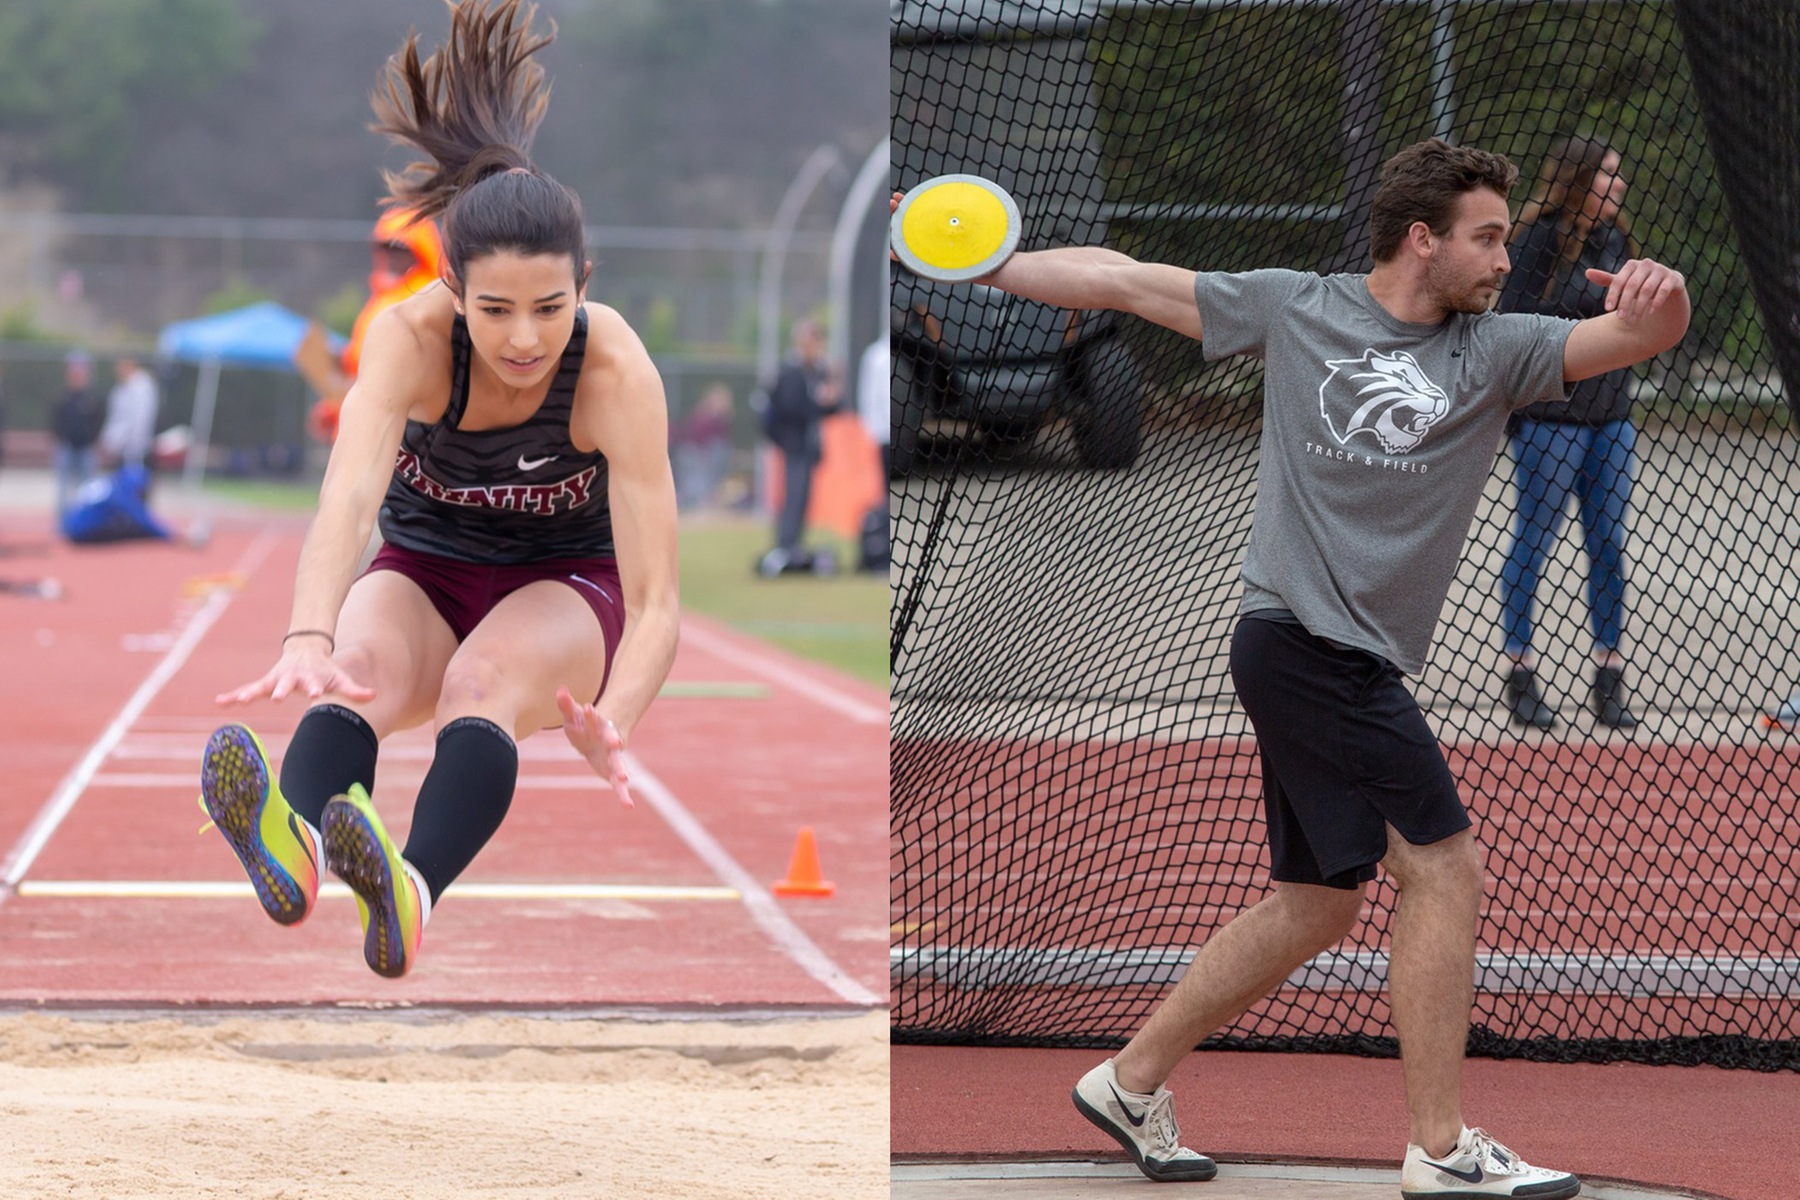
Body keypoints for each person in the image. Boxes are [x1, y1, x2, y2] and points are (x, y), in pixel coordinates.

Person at [894, 138, 1688, 1198]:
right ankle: (1442, 1150)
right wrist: (974, 259)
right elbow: (1123, 279)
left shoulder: (1495, 353)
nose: (1506, 258)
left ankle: (1128, 1084)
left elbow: (1636, 335)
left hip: (1325, 659)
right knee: (1445, 870)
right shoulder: (1297, 307)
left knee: (1318, 905)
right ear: (1424, 239)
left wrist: (1662, 294)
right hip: (1308, 648)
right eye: (1487, 238)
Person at [200, 0, 680, 980]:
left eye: (550, 308)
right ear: (452, 291)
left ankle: (408, 894)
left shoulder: (614, 372)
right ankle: (289, 842)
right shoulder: (408, 343)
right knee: (360, 670)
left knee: (479, 686)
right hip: (427, 561)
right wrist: (306, 637)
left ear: (583, 284)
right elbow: (346, 498)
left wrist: (616, 717)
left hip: (566, 582)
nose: (522, 339)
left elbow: (663, 598)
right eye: (495, 310)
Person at [1497, 137, 1641, 730]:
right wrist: (1588, 308)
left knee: (1608, 544)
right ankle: (1520, 670)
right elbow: (1514, 319)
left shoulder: (1617, 240)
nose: (1619, 184)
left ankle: (1608, 675)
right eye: (1608, 175)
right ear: (1580, 181)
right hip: (1550, 419)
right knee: (1534, 540)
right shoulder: (1538, 239)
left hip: (1611, 418)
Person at [757, 317, 840, 575]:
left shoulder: (817, 371)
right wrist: (817, 403)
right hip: (794, 444)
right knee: (793, 495)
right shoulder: (791, 372)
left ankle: (794, 543)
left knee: (803, 496)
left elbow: (830, 407)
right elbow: (789, 408)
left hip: (809, 444)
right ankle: (786, 544)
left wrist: (830, 399)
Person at [50, 350, 106, 513]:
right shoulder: (63, 395)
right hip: (66, 447)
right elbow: (55, 420)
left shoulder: (93, 396)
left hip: (87, 447)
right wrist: (61, 438)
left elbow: (99, 420)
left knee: (88, 487)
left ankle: (86, 519)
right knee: (64, 488)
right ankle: (63, 521)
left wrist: (92, 440)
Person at [671, 382, 733, 510]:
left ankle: (702, 504)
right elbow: (695, 436)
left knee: (704, 482)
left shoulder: (719, 419)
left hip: (703, 455)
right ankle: (693, 505)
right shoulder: (705, 416)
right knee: (695, 482)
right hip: (694, 453)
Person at [98, 355, 159, 471]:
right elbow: (115, 418)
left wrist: (127, 442)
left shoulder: (142, 388)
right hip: (120, 448)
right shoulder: (119, 389)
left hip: (136, 448)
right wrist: (108, 441)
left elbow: (140, 419)